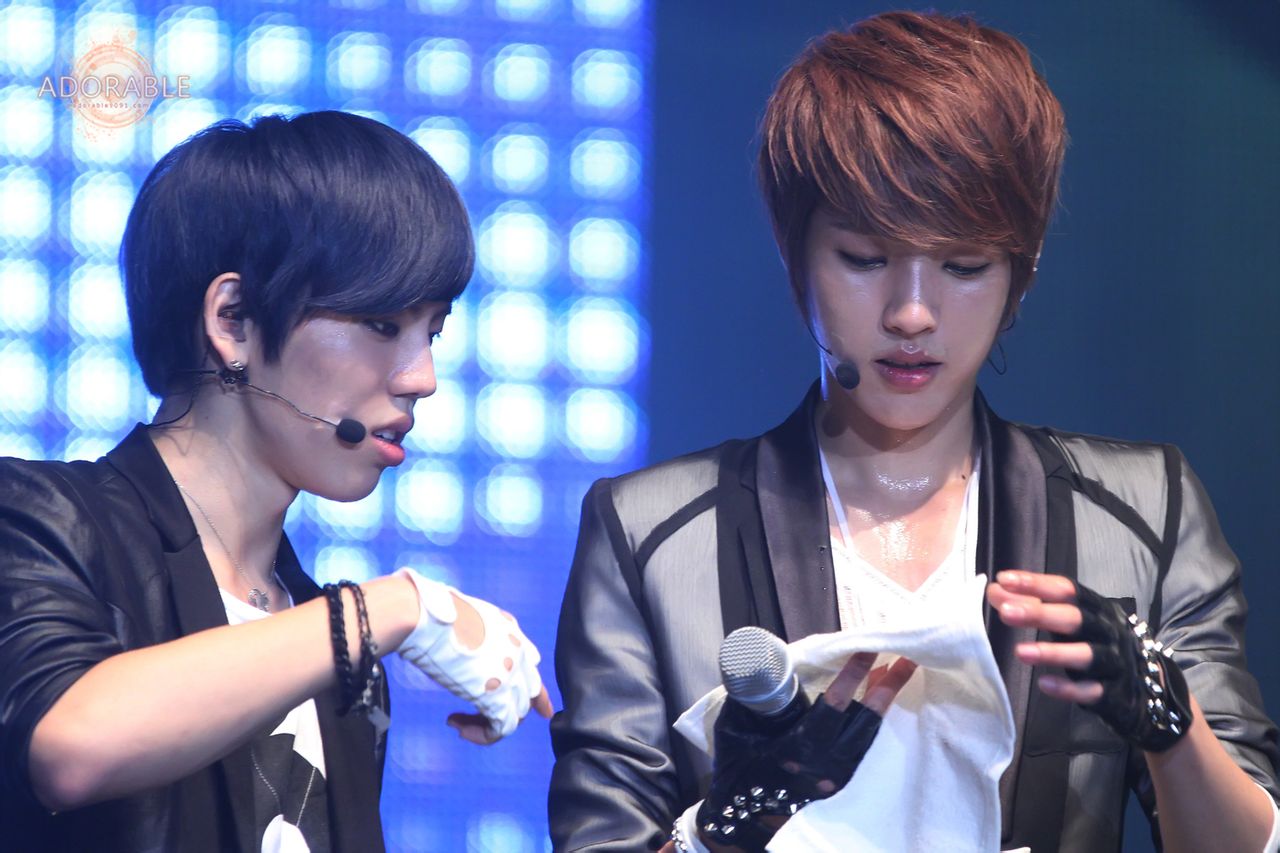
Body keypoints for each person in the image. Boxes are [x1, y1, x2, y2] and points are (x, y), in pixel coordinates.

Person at [548, 11, 1279, 852]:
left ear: (1023, 272)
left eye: (965, 266)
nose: (912, 313)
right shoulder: (649, 535)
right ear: (794, 253)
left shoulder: (1142, 515)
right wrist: (724, 828)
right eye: (865, 258)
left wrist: (1170, 723)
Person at [0, 110, 552, 852]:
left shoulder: (336, 649)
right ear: (233, 320)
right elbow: (68, 743)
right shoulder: (38, 517)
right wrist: (392, 609)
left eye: (433, 332)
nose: (422, 377)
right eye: (383, 324)